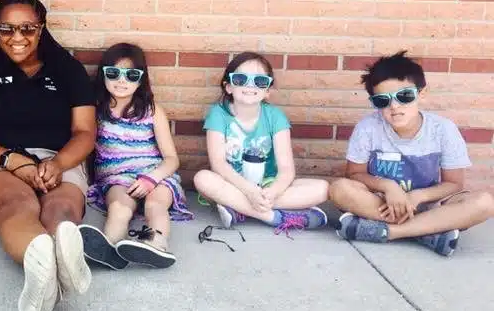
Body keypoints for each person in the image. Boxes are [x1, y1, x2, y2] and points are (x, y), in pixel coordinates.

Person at [0, 0, 96, 311]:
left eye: (27, 28)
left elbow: (85, 133)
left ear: (42, 28)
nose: (17, 38)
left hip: (58, 158)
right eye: (6, 29)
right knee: (16, 205)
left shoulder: (69, 70)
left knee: (60, 208)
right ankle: (45, 265)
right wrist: (14, 161)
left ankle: (54, 258)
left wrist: (59, 164)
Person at [330, 51, 494, 256]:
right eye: (383, 101)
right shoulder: (368, 128)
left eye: (405, 96)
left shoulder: (443, 129)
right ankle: (428, 232)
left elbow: (454, 184)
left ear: (421, 94)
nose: (395, 106)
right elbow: (354, 174)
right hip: (382, 204)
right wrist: (388, 187)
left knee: (485, 202)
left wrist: (419, 196)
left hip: (430, 205)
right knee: (339, 189)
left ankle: (389, 232)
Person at [80, 43, 191, 270]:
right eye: (114, 73)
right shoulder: (96, 109)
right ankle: (109, 248)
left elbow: (172, 158)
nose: (122, 81)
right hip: (116, 177)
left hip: (154, 175)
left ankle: (155, 244)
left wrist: (152, 179)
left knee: (155, 205)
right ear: (103, 75)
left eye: (131, 75)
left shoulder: (152, 110)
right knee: (119, 207)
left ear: (141, 79)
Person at [193, 52, 329, 234]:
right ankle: (273, 217)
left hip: (268, 184)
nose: (250, 85)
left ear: (267, 91)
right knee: (202, 178)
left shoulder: (275, 117)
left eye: (260, 81)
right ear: (228, 87)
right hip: (232, 183)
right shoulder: (218, 114)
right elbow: (218, 164)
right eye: (241, 79)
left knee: (323, 189)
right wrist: (249, 191)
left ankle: (238, 209)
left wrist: (272, 192)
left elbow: (287, 169)